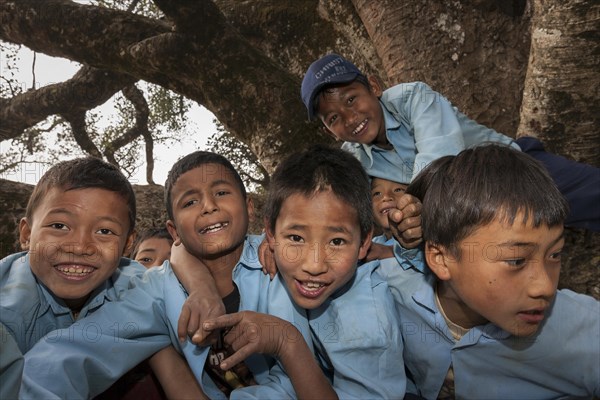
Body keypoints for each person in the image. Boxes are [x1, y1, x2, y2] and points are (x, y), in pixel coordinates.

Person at [20, 151, 334, 399]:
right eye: (190, 201)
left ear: (249, 207)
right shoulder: (156, 292)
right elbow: (71, 353)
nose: (208, 206)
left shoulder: (287, 257)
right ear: (174, 231)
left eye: (222, 192)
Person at [379, 144, 600, 398]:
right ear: (441, 258)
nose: (545, 286)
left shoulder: (584, 333)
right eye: (516, 261)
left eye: (554, 254)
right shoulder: (388, 290)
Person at [301, 53, 600, 232]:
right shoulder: (352, 159)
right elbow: (334, 207)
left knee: (592, 195)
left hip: (513, 171)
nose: (350, 118)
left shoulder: (411, 97)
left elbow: (439, 155)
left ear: (375, 86)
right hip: (472, 217)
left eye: (352, 99)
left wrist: (408, 206)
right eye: (333, 119)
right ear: (329, 131)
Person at [200, 144, 406, 398]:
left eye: (337, 241)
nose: (314, 265)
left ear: (364, 243)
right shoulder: (265, 255)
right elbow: (188, 248)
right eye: (296, 237)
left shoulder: (367, 321)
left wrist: (287, 343)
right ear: (270, 234)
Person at [0, 157, 203, 400]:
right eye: (59, 225)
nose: (80, 246)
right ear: (26, 234)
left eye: (104, 231)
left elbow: (172, 274)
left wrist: (204, 291)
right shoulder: (7, 305)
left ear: (127, 244)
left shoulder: (132, 283)